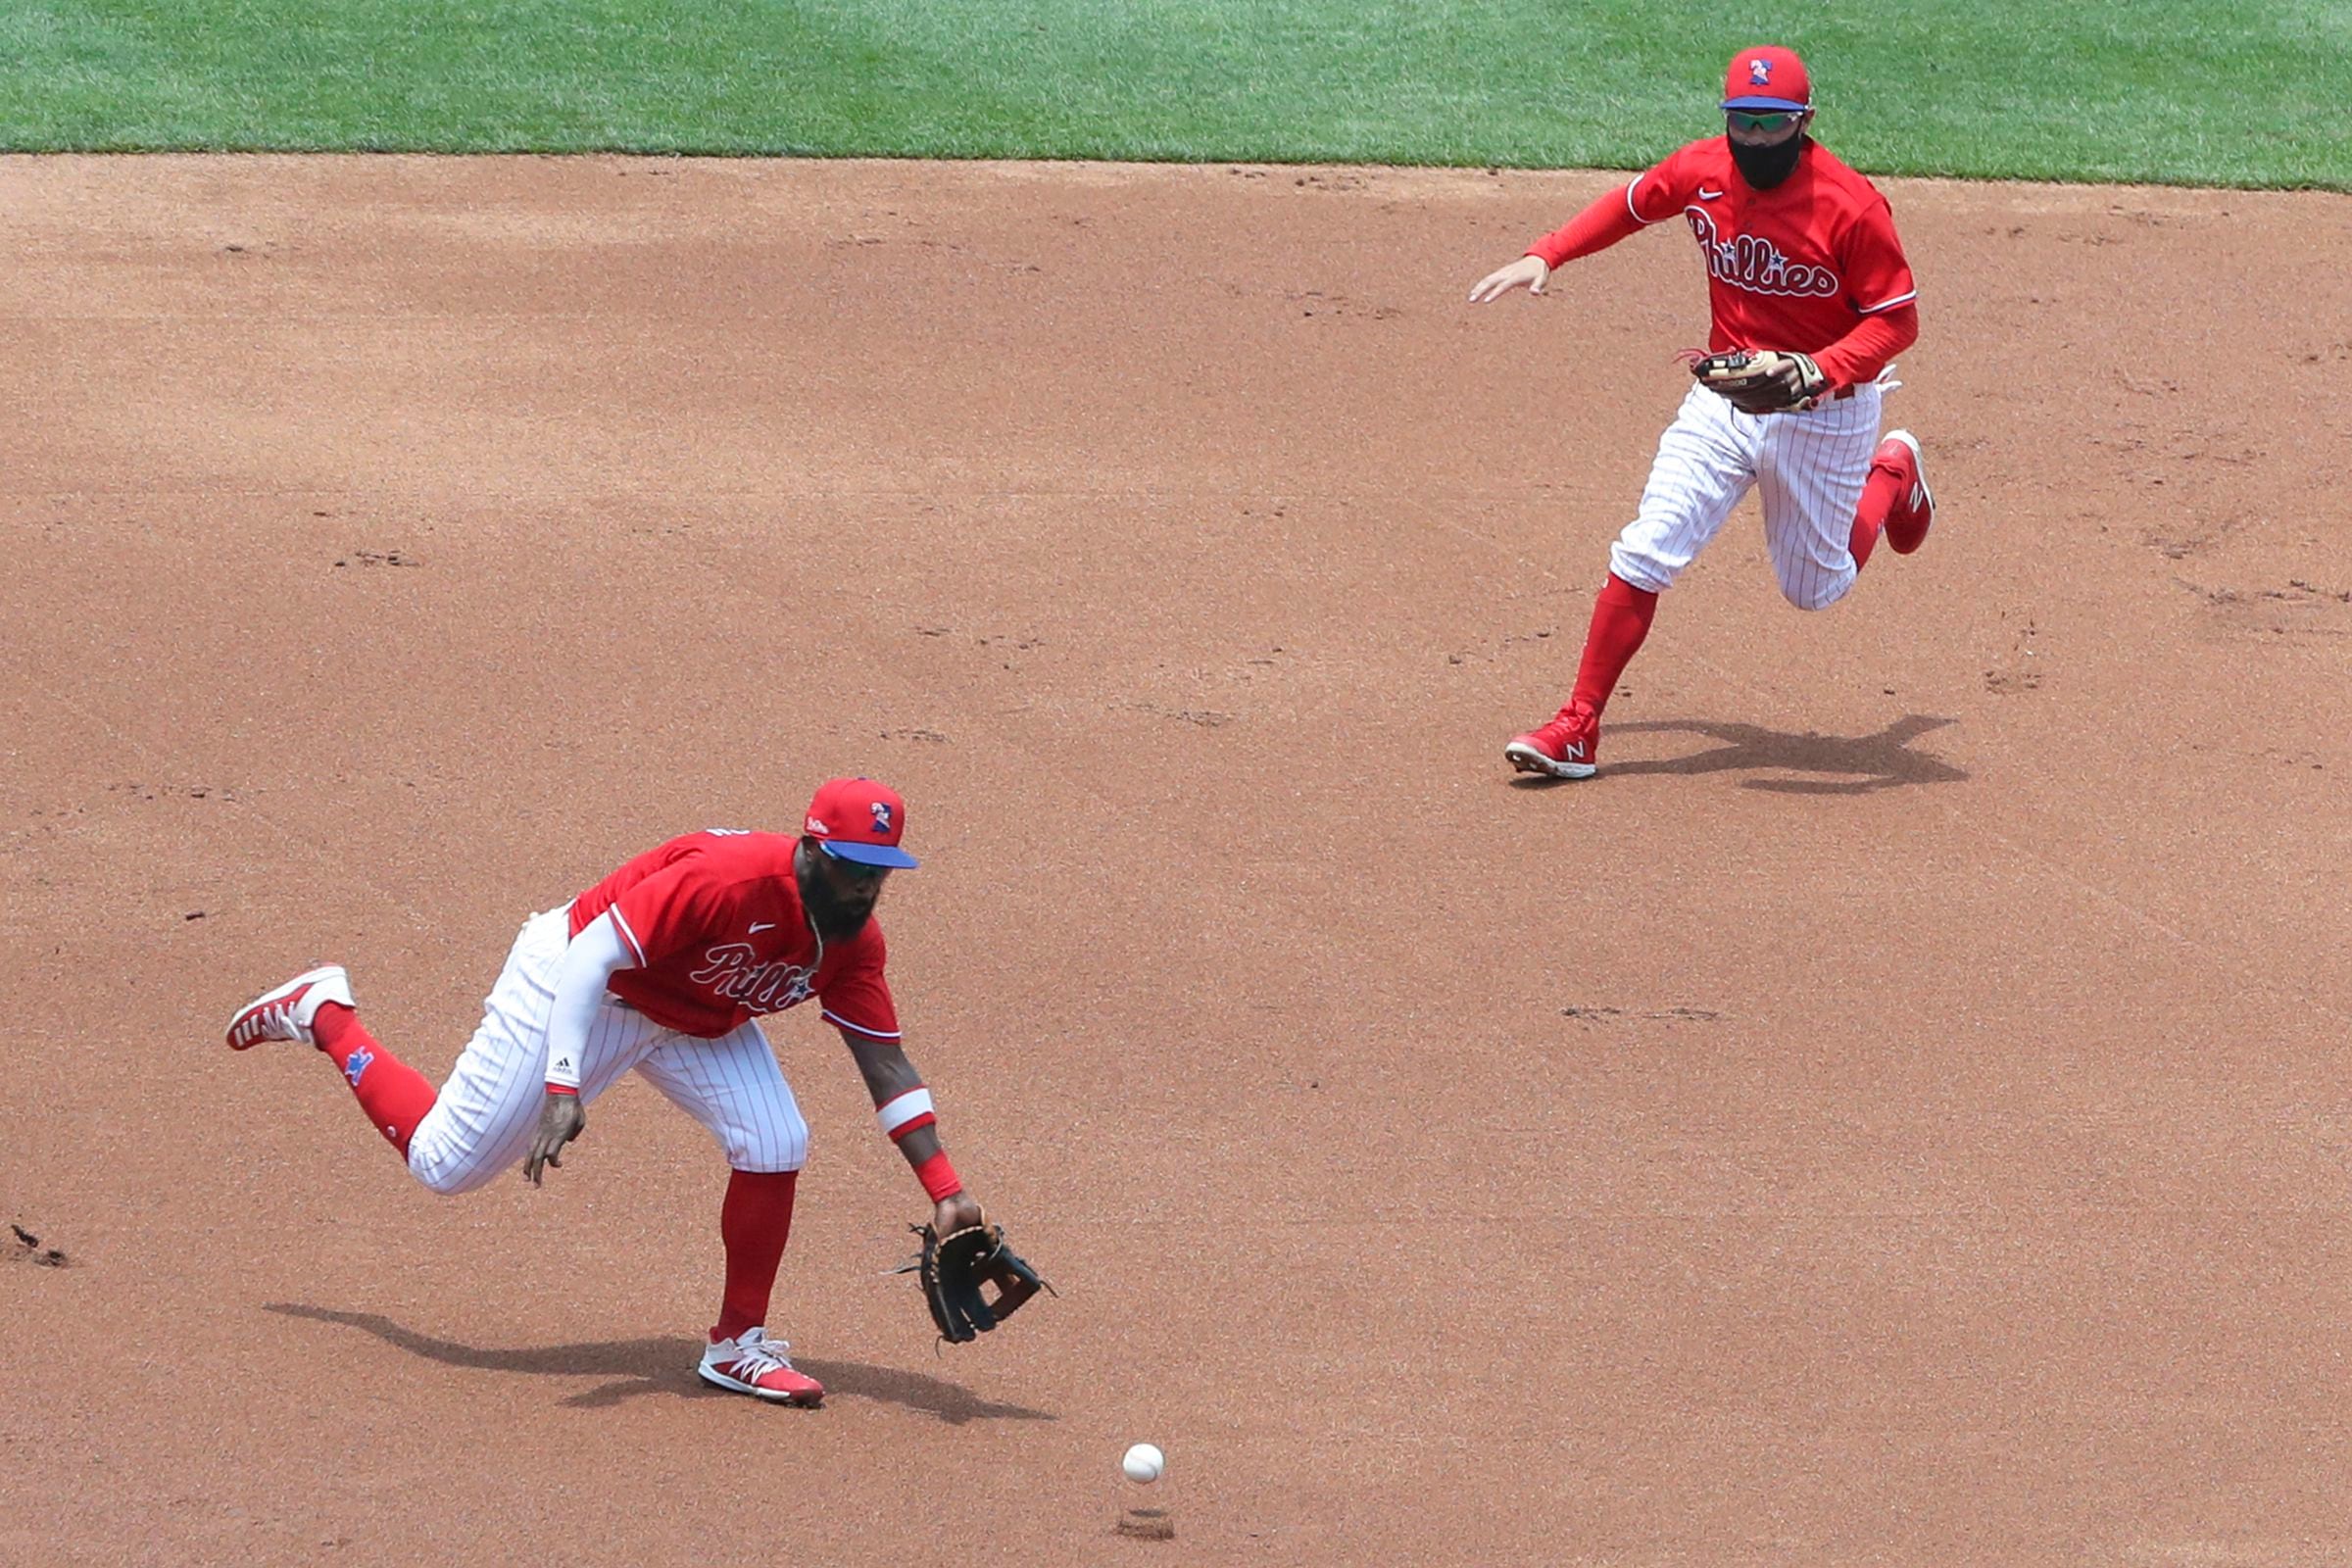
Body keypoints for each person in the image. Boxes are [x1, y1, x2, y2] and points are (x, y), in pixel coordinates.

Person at [224, 776, 986, 1407]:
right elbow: (589, 958)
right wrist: (563, 1085)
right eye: (853, 866)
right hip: (586, 989)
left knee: (777, 1138)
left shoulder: (855, 943)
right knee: (442, 1164)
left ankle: (736, 1346)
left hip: (693, 1015)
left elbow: (884, 1061)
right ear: (813, 849)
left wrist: (944, 1188)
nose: (866, 887)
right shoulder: (728, 882)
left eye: (879, 871)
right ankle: (325, 1014)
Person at [1469, 44, 1936, 779]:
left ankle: (1894, 473)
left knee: (1815, 589)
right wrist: (1548, 254)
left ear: (1804, 120)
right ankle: (1578, 726)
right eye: (1741, 123)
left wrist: (1817, 369)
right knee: (1646, 548)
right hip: (1722, 403)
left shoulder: (1850, 205)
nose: (1754, 139)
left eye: (1771, 124)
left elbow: (1895, 322)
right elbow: (1631, 206)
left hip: (1826, 412)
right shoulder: (1701, 170)